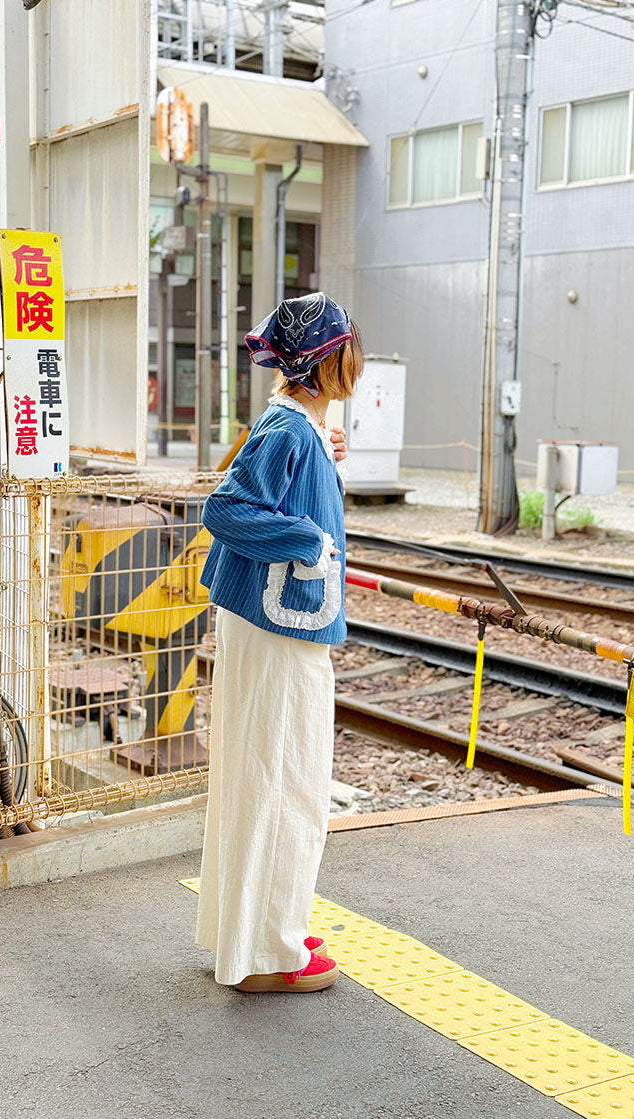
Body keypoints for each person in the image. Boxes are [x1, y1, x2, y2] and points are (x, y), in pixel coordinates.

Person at [195, 292, 363, 993]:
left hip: (269, 623)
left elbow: (266, 489)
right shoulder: (290, 431)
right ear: (329, 363)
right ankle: (267, 953)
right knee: (287, 781)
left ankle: (257, 931)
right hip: (278, 628)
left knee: (265, 775)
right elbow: (225, 508)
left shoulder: (297, 428)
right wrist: (309, 539)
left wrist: (325, 455)